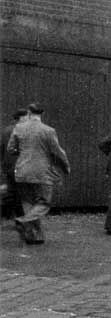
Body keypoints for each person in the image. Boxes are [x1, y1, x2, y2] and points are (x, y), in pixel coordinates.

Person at [7, 102, 70, 244]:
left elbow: (11, 149)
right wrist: (66, 167)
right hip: (42, 173)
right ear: (41, 114)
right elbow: (58, 152)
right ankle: (23, 220)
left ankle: (34, 236)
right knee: (44, 202)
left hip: (21, 172)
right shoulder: (48, 130)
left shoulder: (19, 128)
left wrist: (23, 152)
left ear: (29, 113)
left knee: (28, 203)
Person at [0, 108, 28, 219]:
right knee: (21, 192)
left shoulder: (6, 131)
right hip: (21, 165)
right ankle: (20, 216)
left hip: (9, 167)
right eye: (26, 117)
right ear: (21, 118)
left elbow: (1, 150)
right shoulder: (22, 131)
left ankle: (10, 214)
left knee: (13, 191)